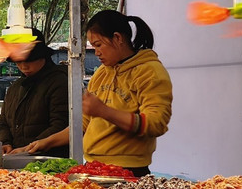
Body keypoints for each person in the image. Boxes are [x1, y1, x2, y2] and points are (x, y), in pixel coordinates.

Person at [26, 11, 172, 176]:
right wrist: (45, 143)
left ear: (118, 38)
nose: (96, 52)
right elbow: (83, 124)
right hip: (94, 167)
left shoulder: (150, 72)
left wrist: (104, 111)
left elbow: (156, 123)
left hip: (130, 170)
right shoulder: (102, 73)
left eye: (98, 45)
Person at [0, 30, 70, 157]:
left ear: (42, 56)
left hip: (50, 160)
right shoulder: (15, 87)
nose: (23, 67)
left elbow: (61, 125)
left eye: (29, 61)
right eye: (18, 62)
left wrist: (27, 148)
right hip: (17, 160)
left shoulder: (60, 82)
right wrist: (5, 142)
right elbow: (3, 122)